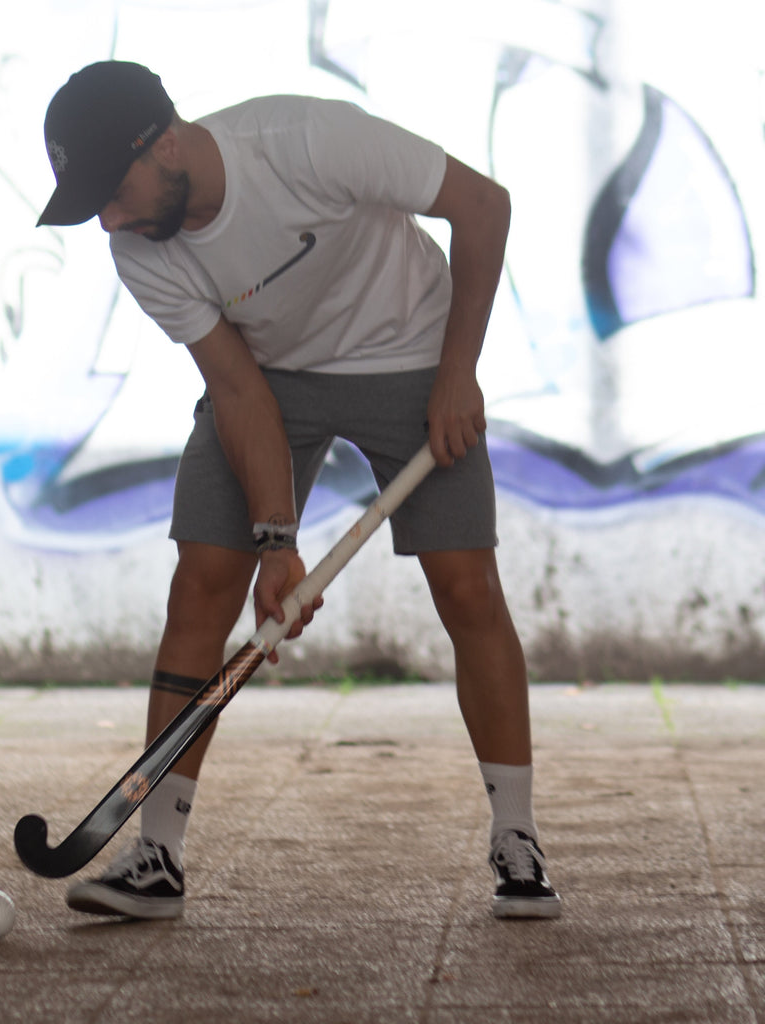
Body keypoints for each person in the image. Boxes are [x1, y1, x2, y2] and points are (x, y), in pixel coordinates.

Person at [35, 60, 561, 921]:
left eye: (114, 190)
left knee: (468, 589)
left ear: (166, 143)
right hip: (269, 376)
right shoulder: (140, 250)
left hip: (411, 354)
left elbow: (483, 204)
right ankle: (155, 854)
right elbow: (240, 393)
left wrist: (458, 372)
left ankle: (518, 837)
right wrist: (278, 544)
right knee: (204, 583)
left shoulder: (309, 141)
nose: (110, 219)